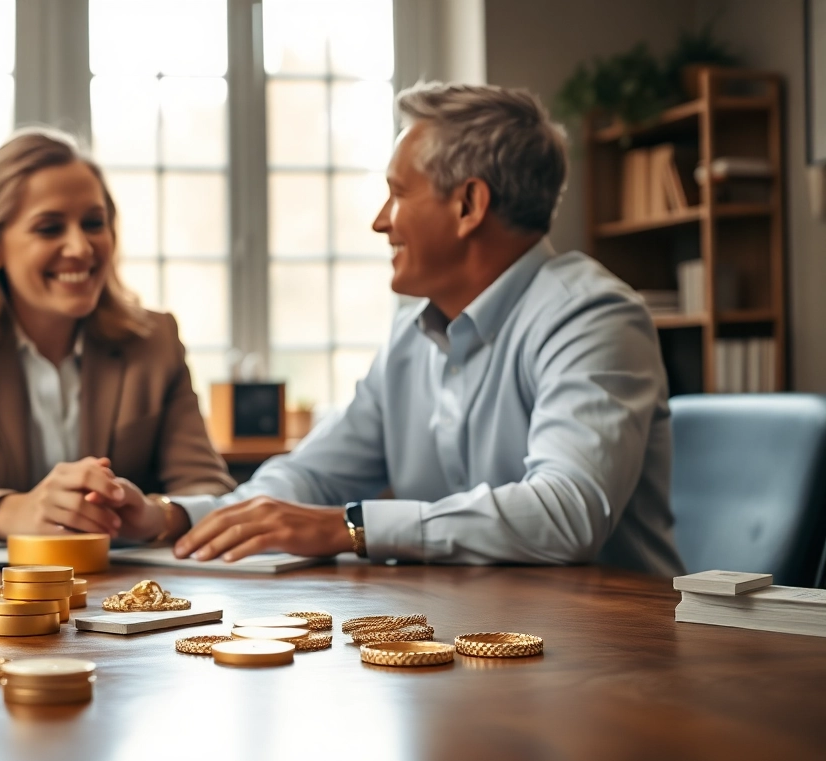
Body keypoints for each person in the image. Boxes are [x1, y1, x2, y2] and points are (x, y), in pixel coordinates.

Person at [96, 82, 685, 575]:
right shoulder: (411, 336)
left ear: (468, 206)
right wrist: (171, 517)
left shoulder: (594, 317)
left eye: (398, 193)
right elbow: (310, 475)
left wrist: (348, 527)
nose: (381, 222)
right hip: (466, 638)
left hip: (609, 651)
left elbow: (566, 514)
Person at [0, 129, 235, 547]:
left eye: (94, 223)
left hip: (123, 600)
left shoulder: (154, 341)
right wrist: (15, 511)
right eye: (49, 228)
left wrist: (155, 515)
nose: (79, 247)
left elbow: (213, 494)